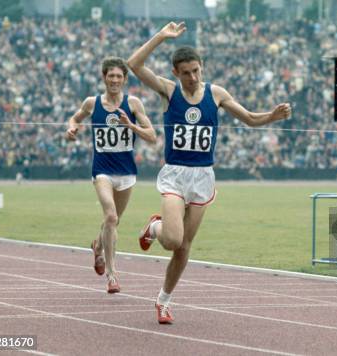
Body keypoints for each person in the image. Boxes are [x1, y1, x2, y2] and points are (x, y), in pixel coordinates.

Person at [127, 21, 292, 324]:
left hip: (203, 176)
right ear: (176, 73)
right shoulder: (168, 90)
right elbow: (133, 64)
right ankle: (154, 228)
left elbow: (251, 119)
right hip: (176, 175)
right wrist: (161, 37)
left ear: (202, 68)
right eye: (186, 72)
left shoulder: (215, 94)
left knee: (185, 247)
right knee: (173, 239)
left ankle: (163, 300)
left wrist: (273, 115)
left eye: (196, 71)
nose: (192, 77)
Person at [65, 57, 156, 293]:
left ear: (125, 79)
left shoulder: (134, 104)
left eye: (119, 76)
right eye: (110, 76)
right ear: (104, 77)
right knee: (111, 216)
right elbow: (75, 118)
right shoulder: (92, 103)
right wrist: (72, 128)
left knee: (113, 221)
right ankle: (112, 274)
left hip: (126, 171)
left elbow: (152, 136)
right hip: (102, 169)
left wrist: (131, 126)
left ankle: (98, 246)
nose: (114, 80)